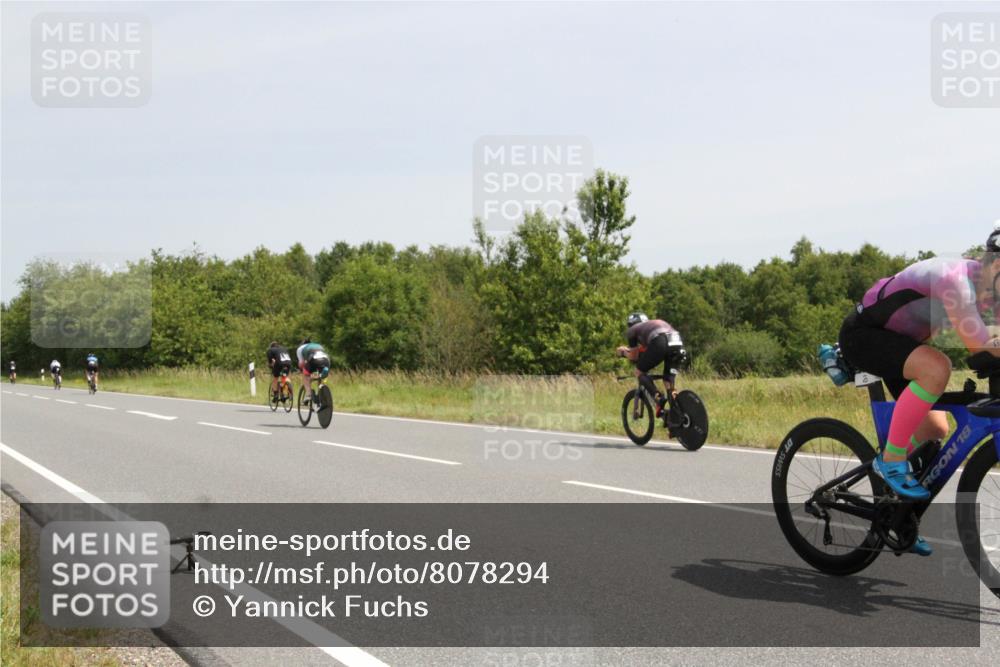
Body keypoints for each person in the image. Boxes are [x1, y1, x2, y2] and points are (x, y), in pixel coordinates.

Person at [839, 227, 1000, 556]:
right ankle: (892, 460)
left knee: (934, 429)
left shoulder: (992, 290)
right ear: (995, 265)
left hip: (902, 345)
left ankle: (898, 515)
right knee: (937, 367)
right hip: (865, 335)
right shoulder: (955, 279)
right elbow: (980, 347)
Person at [616, 312, 688, 416]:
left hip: (660, 341)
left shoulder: (632, 330)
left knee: (639, 371)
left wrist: (623, 352)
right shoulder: (650, 326)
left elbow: (634, 356)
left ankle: (658, 397)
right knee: (668, 381)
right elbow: (647, 350)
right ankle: (676, 415)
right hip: (676, 341)